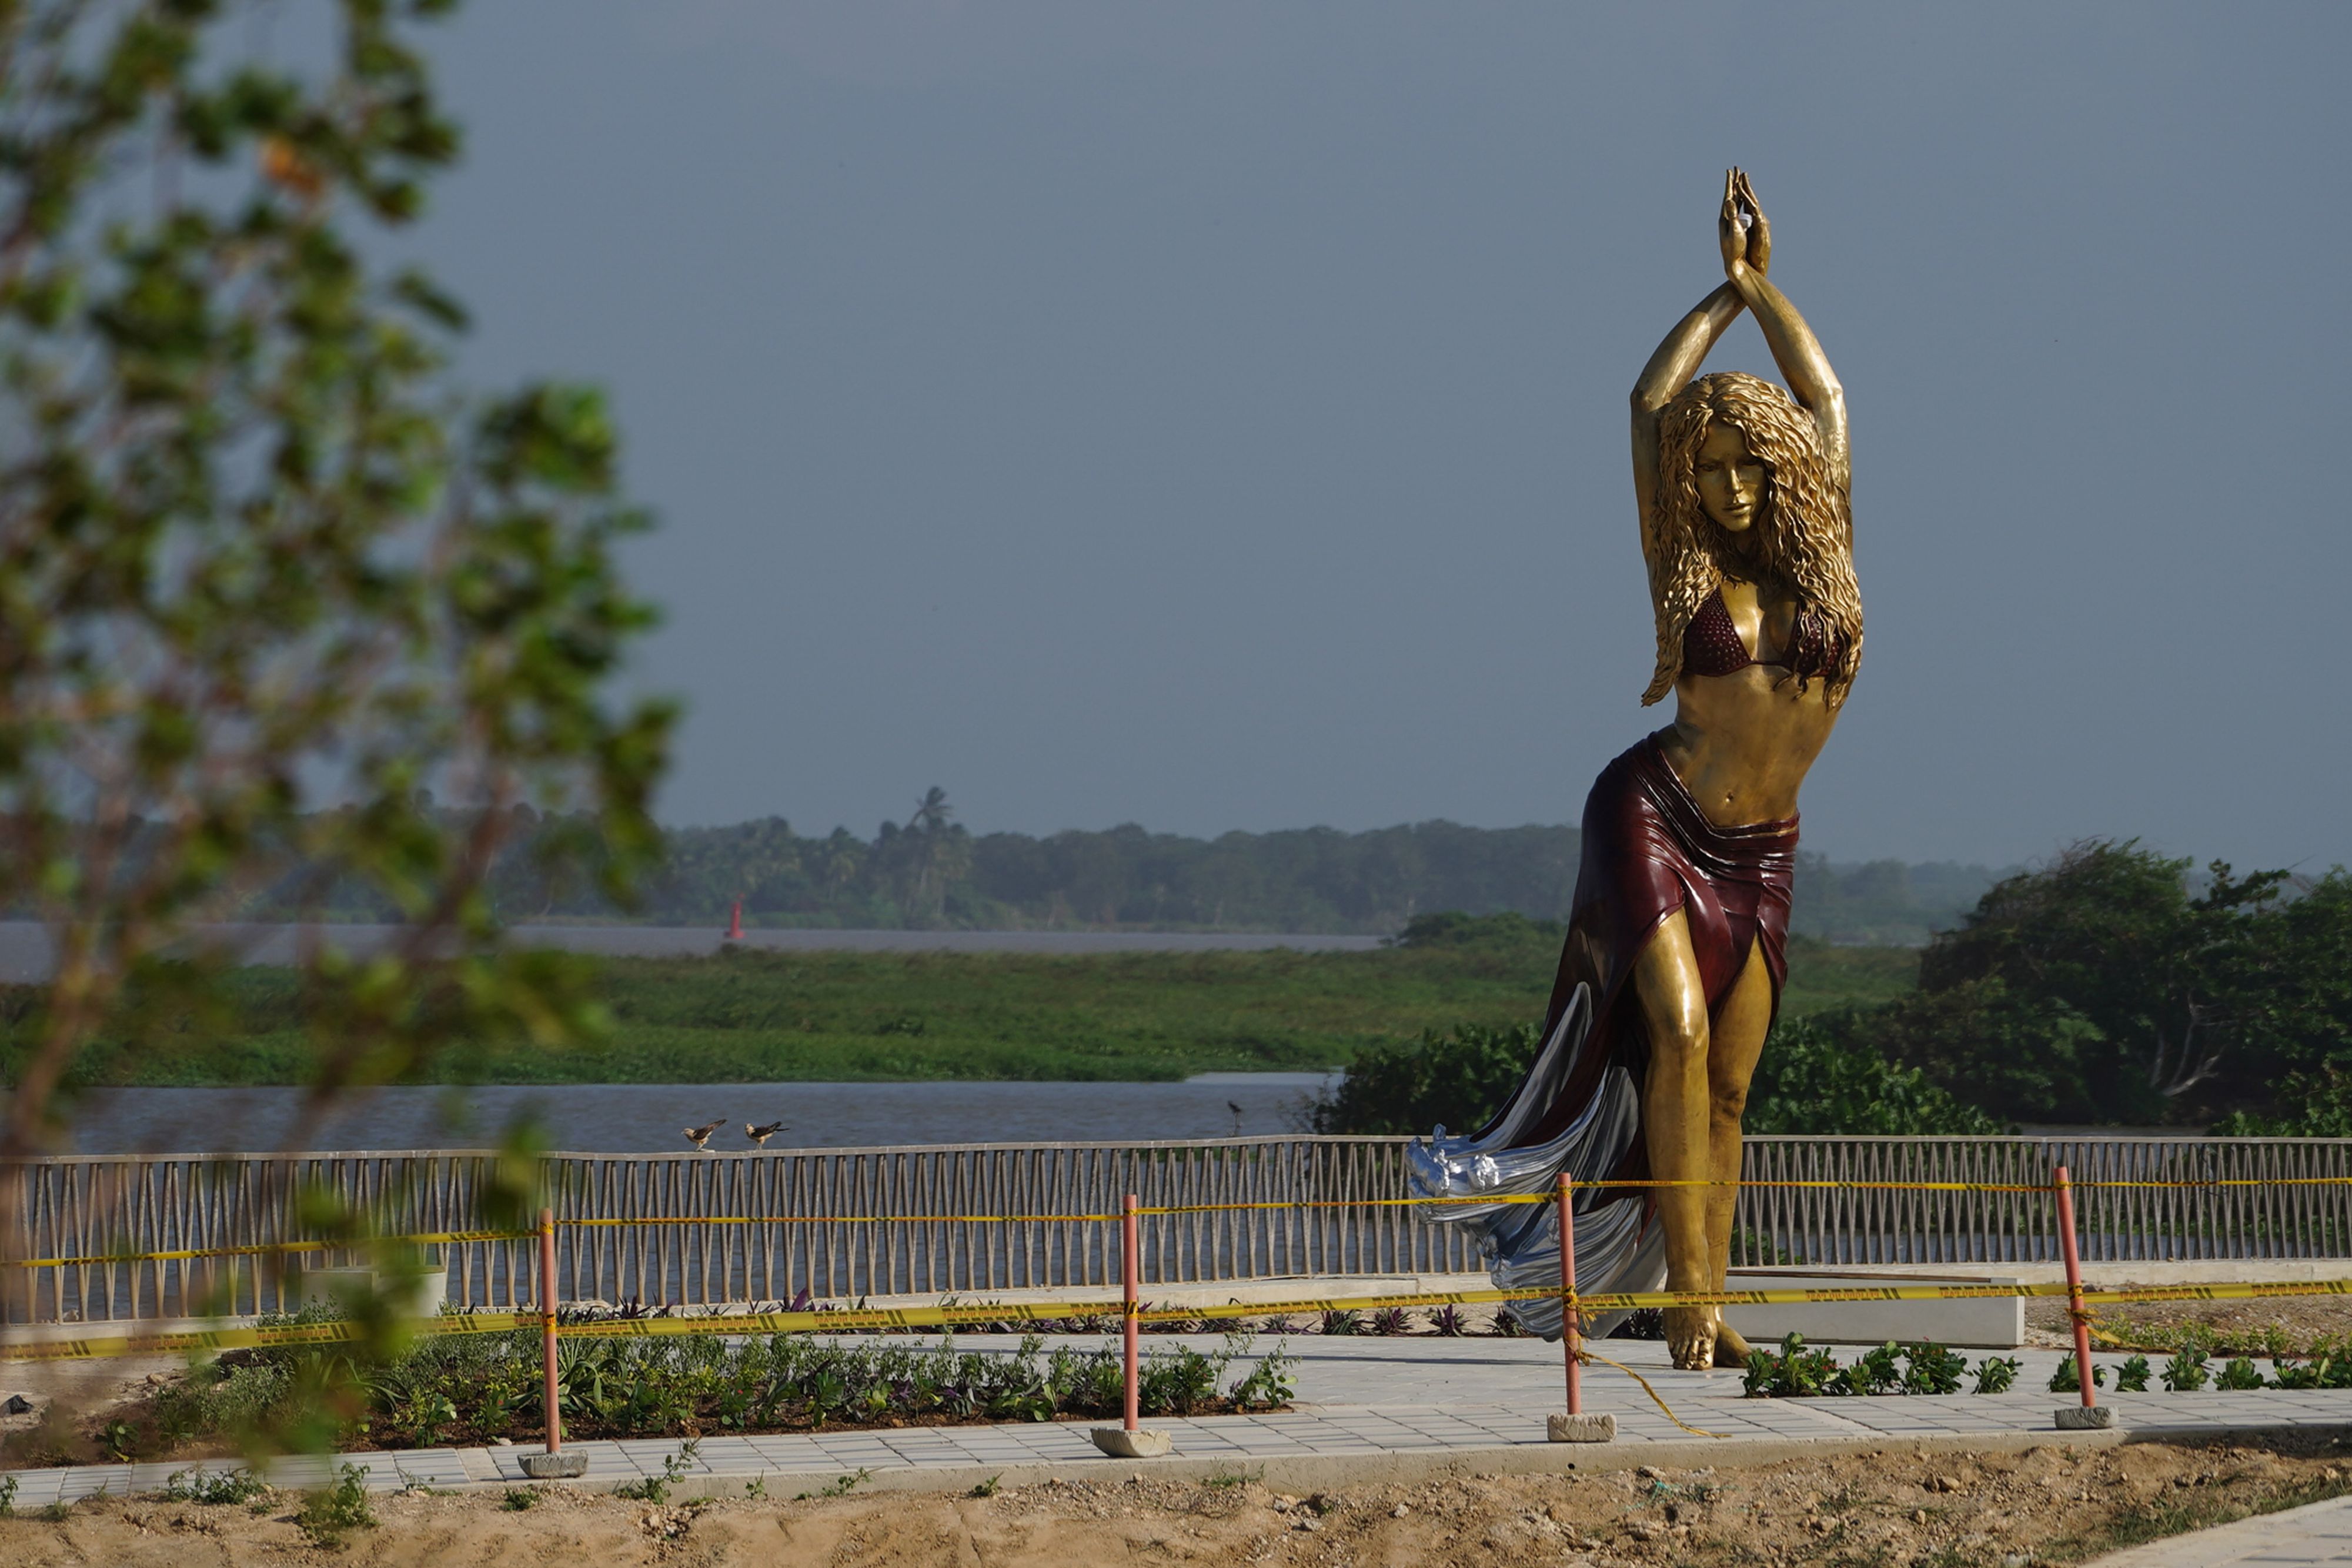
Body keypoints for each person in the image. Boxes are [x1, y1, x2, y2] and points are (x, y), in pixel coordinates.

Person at [1409, 170, 1862, 1370]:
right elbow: (1645, 398)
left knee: (1726, 1088)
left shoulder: (1828, 565)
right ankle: (1686, 1314)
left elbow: (1823, 394)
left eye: (1744, 468)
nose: (1723, 487)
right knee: (1671, 1031)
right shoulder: (1684, 569)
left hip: (1760, 850)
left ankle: (1703, 1300)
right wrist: (1712, 298)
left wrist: (1760, 282)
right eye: (1706, 469)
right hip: (1651, 813)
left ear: (1781, 475)